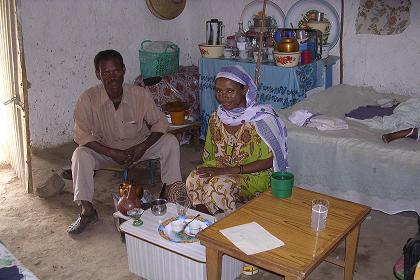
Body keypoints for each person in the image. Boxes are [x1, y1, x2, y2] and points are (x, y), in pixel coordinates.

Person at [67, 49, 185, 234]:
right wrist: (112, 153)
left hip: (138, 148)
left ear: (123, 70)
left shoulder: (140, 94)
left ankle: (170, 197)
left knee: (170, 142)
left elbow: (160, 123)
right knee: (80, 154)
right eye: (106, 72)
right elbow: (81, 135)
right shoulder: (88, 98)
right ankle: (87, 211)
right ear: (98, 74)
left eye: (116, 71)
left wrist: (142, 147)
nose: (112, 77)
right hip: (106, 151)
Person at [185, 65, 288, 215]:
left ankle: (225, 224)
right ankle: (207, 221)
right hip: (223, 166)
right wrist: (215, 169)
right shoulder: (217, 117)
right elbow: (210, 155)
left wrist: (226, 171)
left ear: (244, 90)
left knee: (218, 186)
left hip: (254, 175)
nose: (223, 96)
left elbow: (270, 160)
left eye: (230, 91)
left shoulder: (260, 119)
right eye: (219, 91)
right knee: (194, 179)